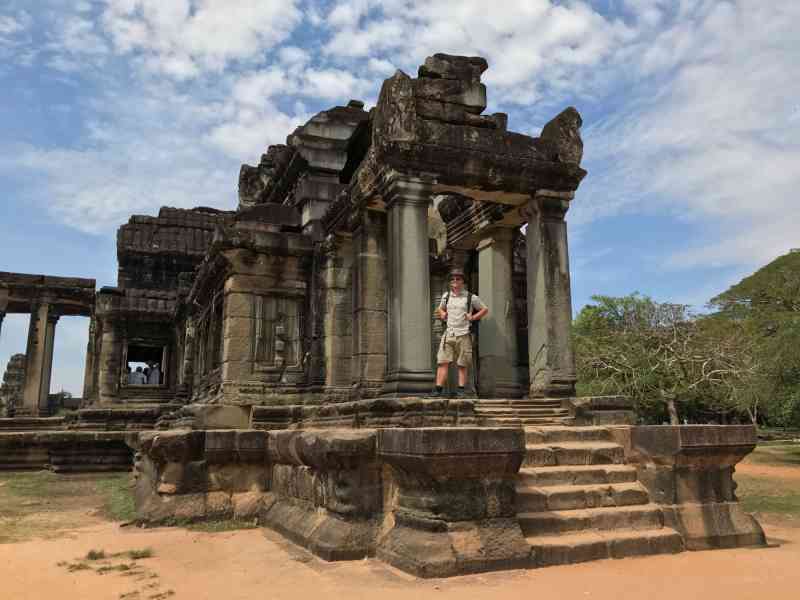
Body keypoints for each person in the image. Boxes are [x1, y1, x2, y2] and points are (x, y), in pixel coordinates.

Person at [431, 268, 488, 398]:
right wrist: (443, 313)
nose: (455, 281)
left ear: (463, 282)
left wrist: (472, 317)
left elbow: (484, 309)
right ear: (450, 282)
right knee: (442, 361)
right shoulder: (446, 296)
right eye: (453, 279)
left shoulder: (470, 297)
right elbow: (440, 309)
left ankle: (461, 391)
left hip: (464, 333)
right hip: (449, 333)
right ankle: (438, 390)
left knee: (462, 364)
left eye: (458, 279)